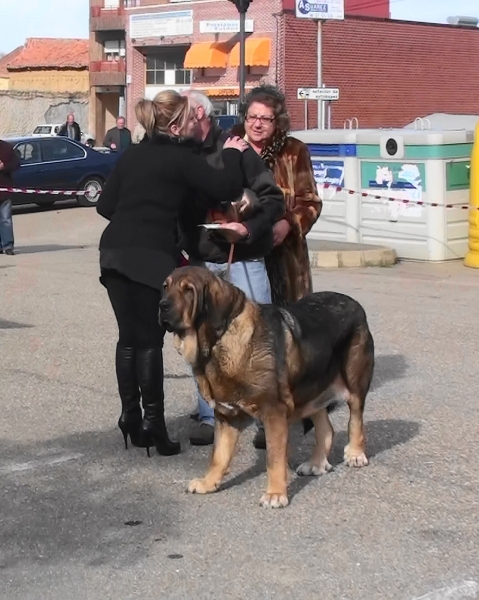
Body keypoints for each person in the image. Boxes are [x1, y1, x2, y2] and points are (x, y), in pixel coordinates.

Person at [96, 90, 249, 458]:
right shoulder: (181, 158)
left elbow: (104, 205)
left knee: (128, 339)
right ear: (179, 123)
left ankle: (130, 416)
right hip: (150, 255)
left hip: (113, 251)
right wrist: (232, 152)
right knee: (148, 341)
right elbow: (225, 186)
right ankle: (154, 426)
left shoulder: (133, 155)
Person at [178, 89, 285, 446]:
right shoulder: (182, 154)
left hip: (244, 258)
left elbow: (273, 199)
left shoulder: (237, 150)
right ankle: (210, 414)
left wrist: (248, 228)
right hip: (200, 261)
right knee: (202, 340)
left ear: (200, 114)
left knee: (258, 338)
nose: (178, 122)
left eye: (184, 115)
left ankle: (262, 417)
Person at [232, 84, 322, 449]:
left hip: (284, 258)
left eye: (264, 119)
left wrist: (289, 224)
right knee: (253, 335)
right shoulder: (231, 146)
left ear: (277, 121)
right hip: (244, 255)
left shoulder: (293, 151)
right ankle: (259, 413)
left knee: (292, 333)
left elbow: (311, 201)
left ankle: (302, 406)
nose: (256, 125)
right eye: (251, 117)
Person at [0, 138, 20, 255]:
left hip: (4, 190)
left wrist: (4, 166)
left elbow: (16, 164)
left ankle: (8, 246)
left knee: (5, 219)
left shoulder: (7, 148)